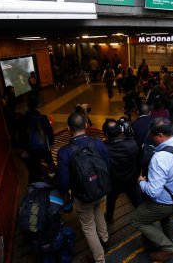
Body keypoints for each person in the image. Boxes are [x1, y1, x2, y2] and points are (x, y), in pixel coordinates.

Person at [131, 117, 173, 262]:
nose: (151, 138)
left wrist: (141, 182)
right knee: (166, 216)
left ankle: (167, 247)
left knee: (136, 219)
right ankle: (171, 238)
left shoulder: (160, 158)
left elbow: (153, 192)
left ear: (161, 136)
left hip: (164, 202)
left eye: (153, 136)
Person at [57, 112, 109, 263]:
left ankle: (99, 259)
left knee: (88, 227)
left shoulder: (64, 152)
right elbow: (107, 165)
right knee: (98, 210)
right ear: (86, 125)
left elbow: (64, 182)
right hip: (100, 189)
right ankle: (105, 239)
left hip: (82, 196)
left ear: (68, 129)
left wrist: (65, 193)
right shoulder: (98, 143)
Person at [102, 119, 142, 224]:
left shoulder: (104, 148)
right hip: (131, 180)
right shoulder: (132, 144)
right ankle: (145, 220)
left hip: (114, 182)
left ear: (106, 134)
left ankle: (109, 218)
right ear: (121, 131)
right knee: (138, 202)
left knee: (110, 201)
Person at [18, 97, 56, 184]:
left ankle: (37, 179)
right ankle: (53, 176)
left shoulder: (23, 119)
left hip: (31, 150)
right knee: (50, 162)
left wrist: (26, 148)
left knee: (35, 167)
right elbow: (50, 133)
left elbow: (21, 136)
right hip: (44, 148)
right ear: (37, 106)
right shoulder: (43, 118)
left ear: (27, 106)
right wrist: (49, 144)